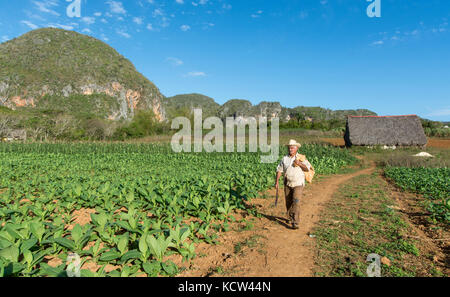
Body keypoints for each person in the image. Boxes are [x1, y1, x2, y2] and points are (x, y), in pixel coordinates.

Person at [275, 139, 312, 229]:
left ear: (296, 148)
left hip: (298, 183)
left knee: (296, 201)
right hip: (287, 183)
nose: (290, 149)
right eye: (289, 148)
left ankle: (295, 222)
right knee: (288, 202)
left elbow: (307, 168)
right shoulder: (285, 158)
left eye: (292, 148)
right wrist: (276, 182)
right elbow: (279, 170)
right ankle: (290, 217)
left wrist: (299, 163)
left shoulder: (301, 158)